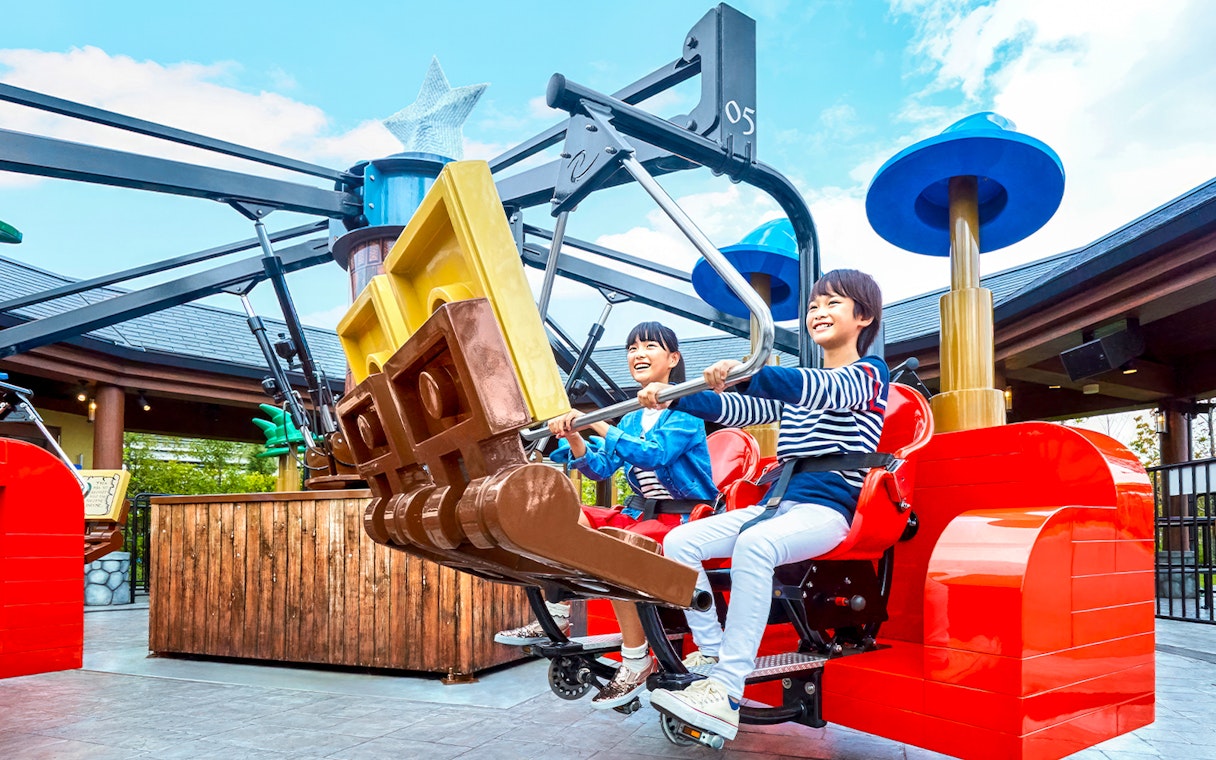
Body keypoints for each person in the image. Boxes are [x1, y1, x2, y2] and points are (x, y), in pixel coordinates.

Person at [642, 269, 888, 741]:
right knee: (681, 540)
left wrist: (749, 372)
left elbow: (819, 390)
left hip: (830, 509)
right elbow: (740, 411)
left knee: (754, 546)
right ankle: (713, 653)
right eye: (815, 305)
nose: (819, 311)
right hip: (781, 505)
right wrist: (677, 397)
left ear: (864, 317)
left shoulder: (868, 376)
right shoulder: (805, 385)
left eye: (833, 303)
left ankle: (727, 690)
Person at [494, 321, 717, 710]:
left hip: (680, 517)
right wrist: (575, 436)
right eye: (632, 347)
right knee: (563, 514)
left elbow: (654, 455)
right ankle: (559, 609)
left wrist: (597, 421)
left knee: (616, 549)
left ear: (673, 359)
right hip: (640, 514)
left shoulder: (686, 411)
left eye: (649, 346)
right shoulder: (631, 417)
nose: (638, 354)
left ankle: (636, 659)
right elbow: (600, 468)